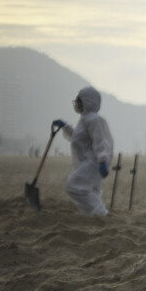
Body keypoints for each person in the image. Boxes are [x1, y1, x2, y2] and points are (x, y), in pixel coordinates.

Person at [54, 86, 114, 216]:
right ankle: (94, 216)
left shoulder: (95, 120)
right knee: (90, 190)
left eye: (78, 100)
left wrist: (103, 160)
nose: (76, 104)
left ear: (87, 102)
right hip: (86, 162)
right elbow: (79, 138)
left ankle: (100, 213)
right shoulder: (84, 119)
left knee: (73, 186)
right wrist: (66, 127)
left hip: (94, 162)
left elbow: (101, 140)